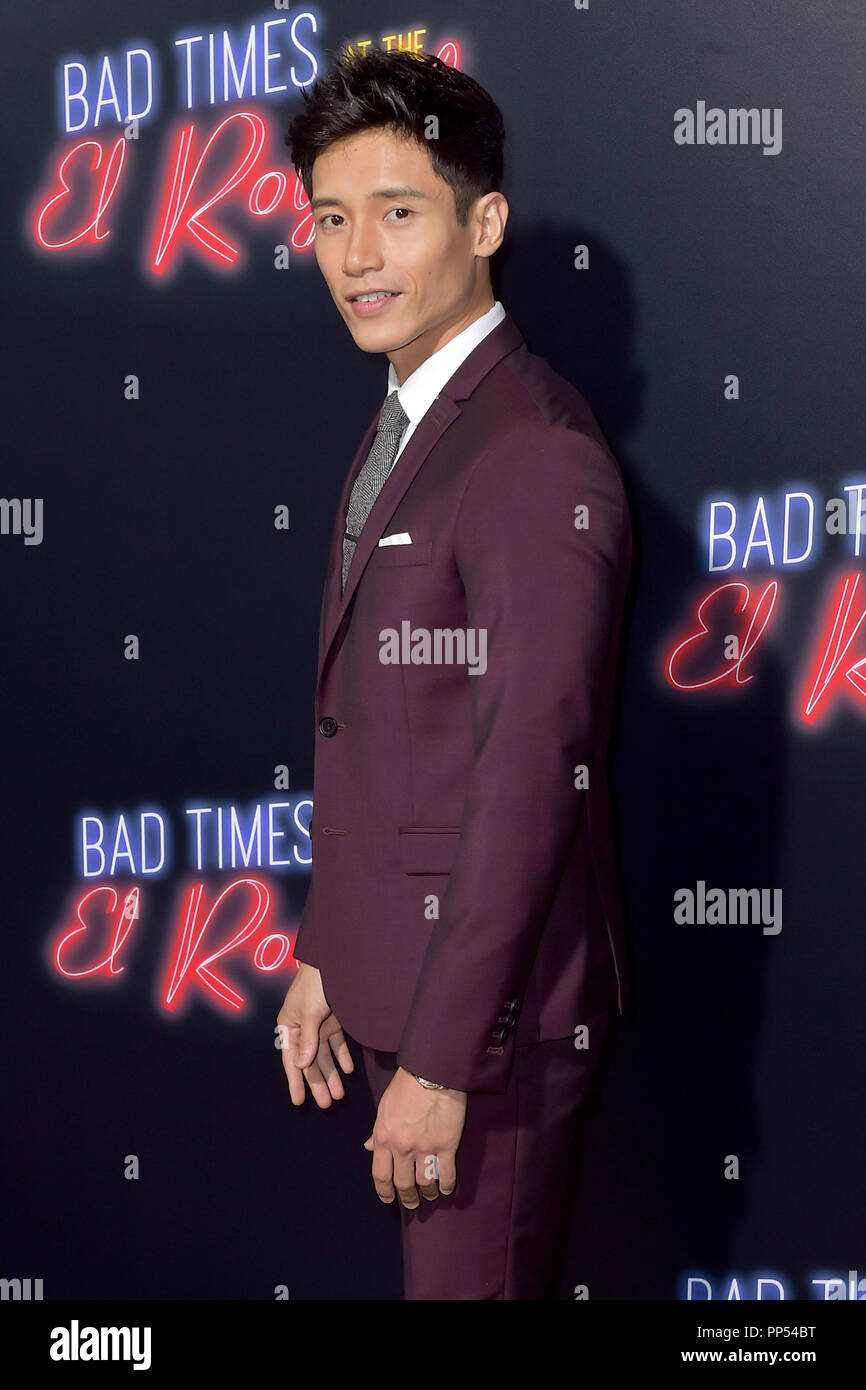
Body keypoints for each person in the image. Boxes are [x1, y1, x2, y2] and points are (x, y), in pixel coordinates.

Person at [276, 46, 632, 1300]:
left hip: (484, 1030)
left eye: (397, 212)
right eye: (329, 219)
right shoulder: (412, 420)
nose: (355, 254)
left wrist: (441, 1061)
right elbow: (389, 735)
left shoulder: (530, 451)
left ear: (483, 222)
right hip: (400, 987)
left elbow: (533, 770)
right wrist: (330, 945)